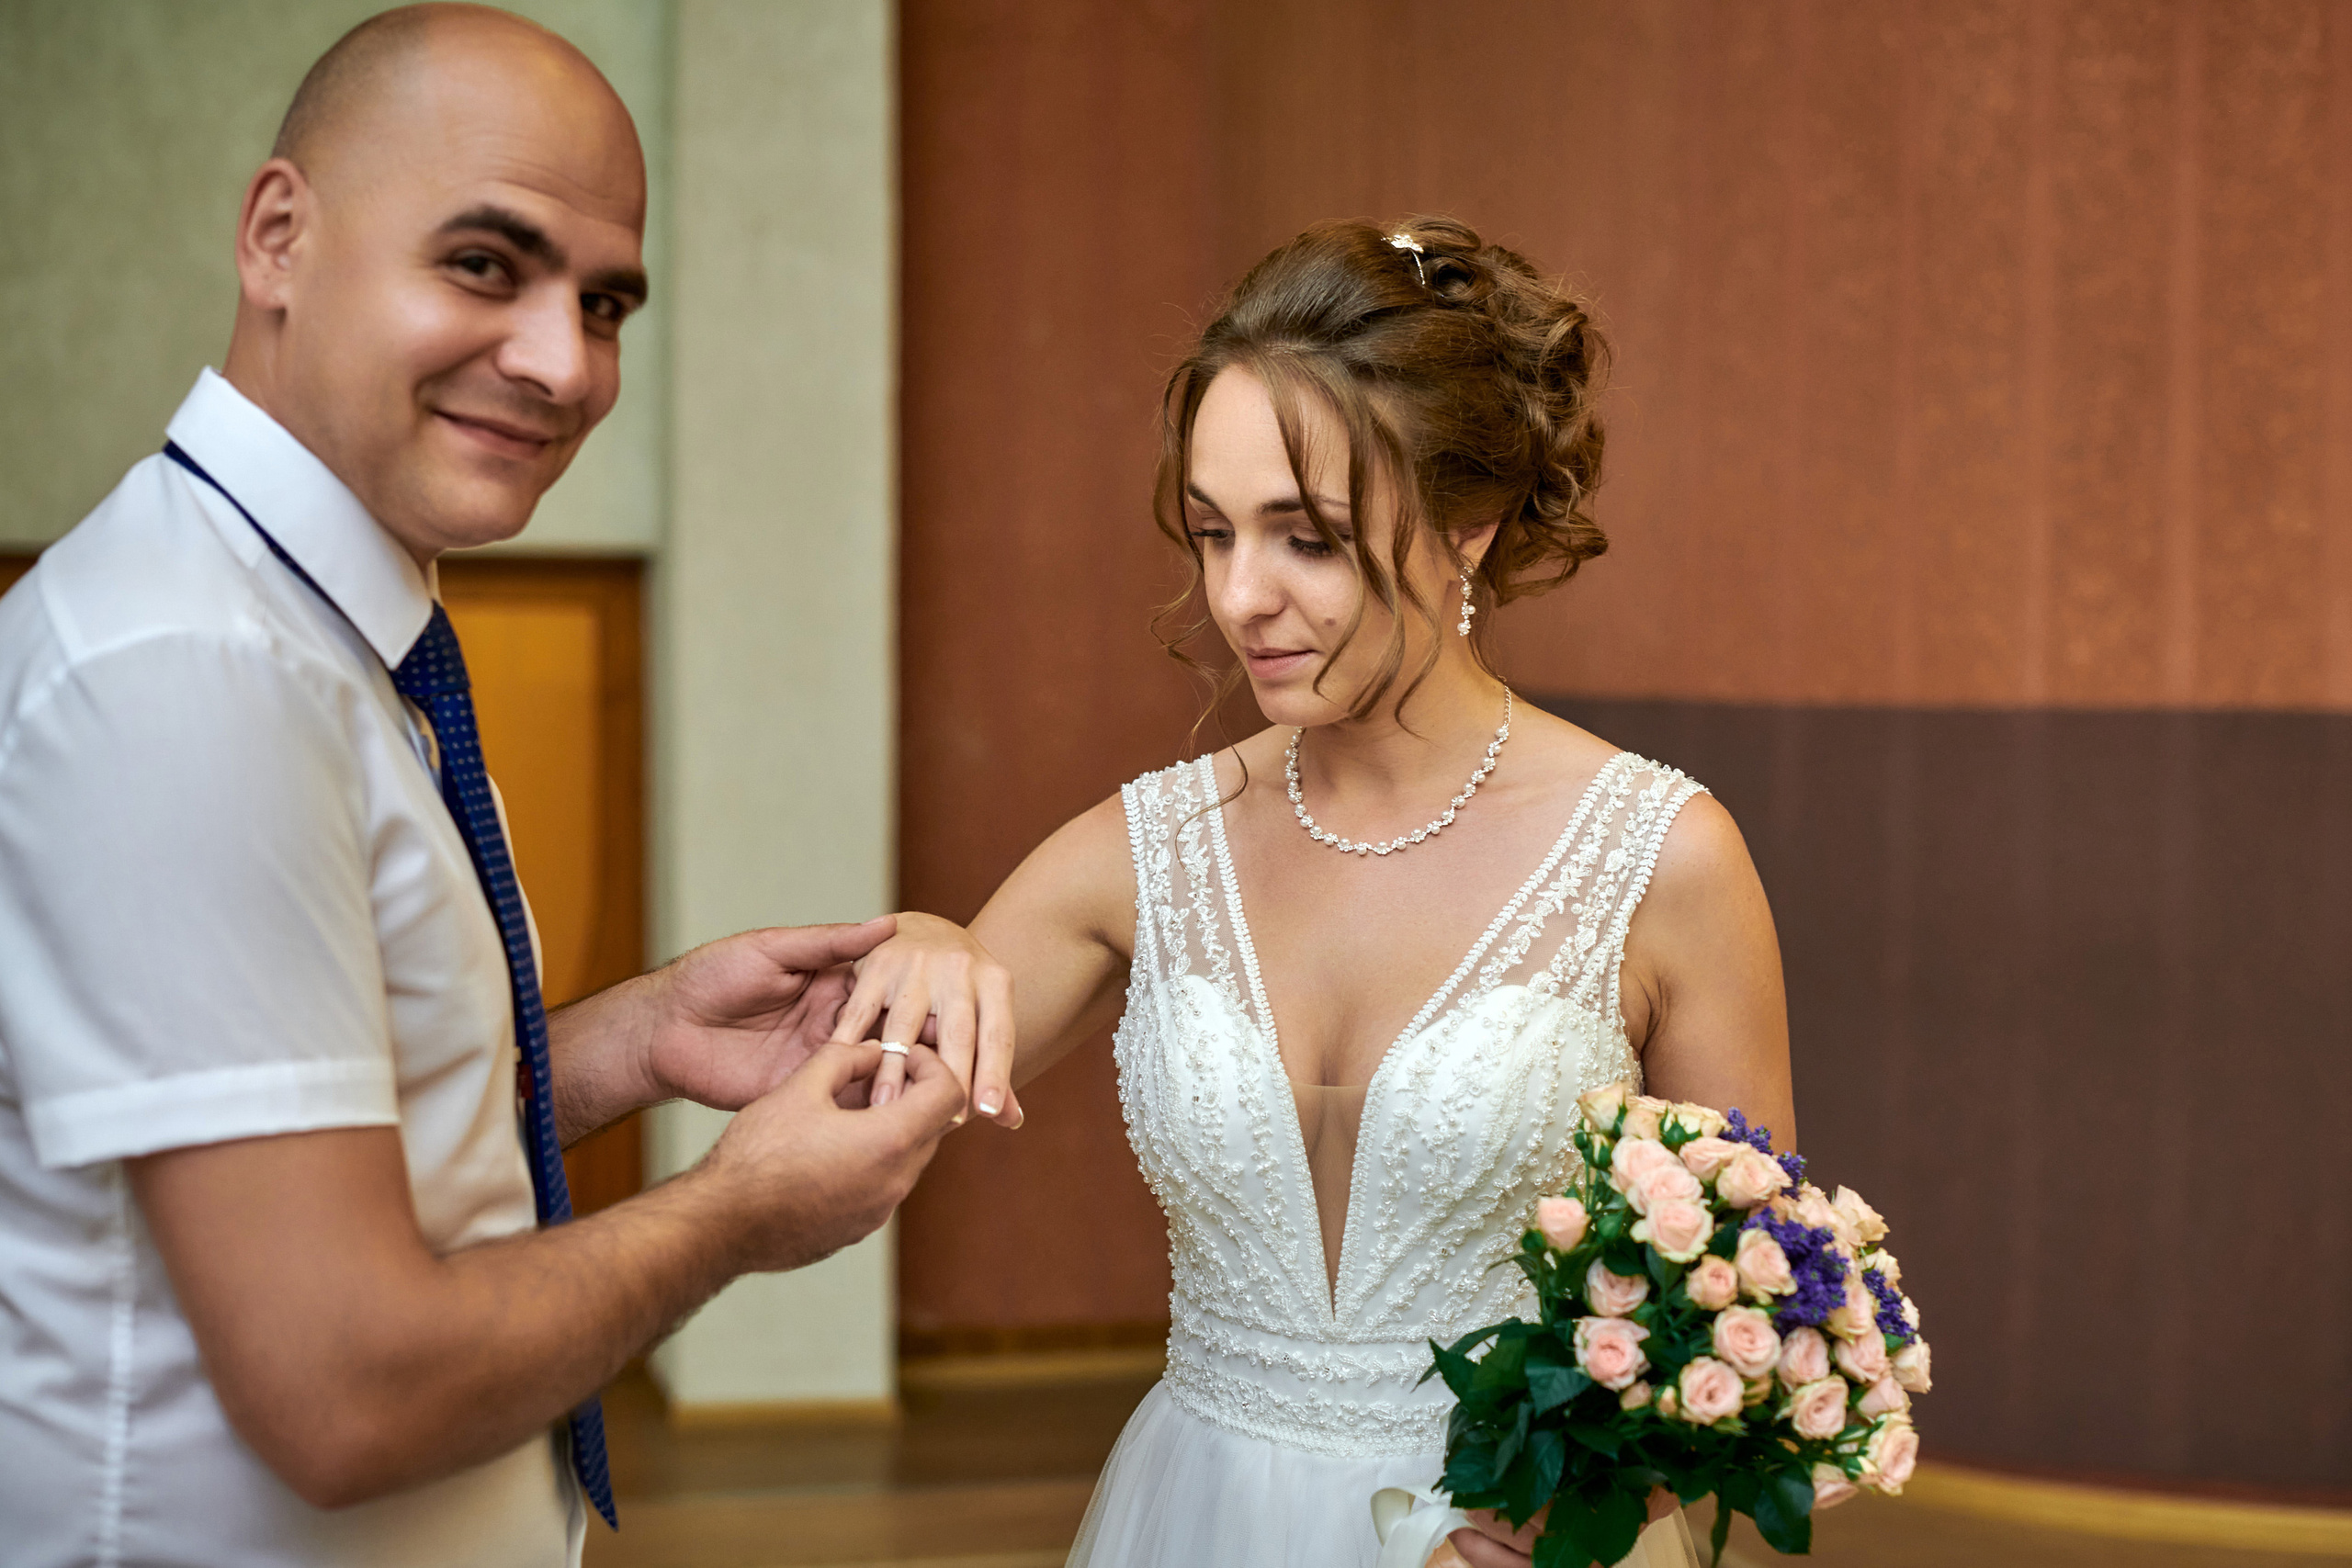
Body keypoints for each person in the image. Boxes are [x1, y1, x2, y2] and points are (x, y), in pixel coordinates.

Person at [0, 9, 971, 1566]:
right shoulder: (192, 671)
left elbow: (324, 1095)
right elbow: (346, 1391)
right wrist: (734, 1214)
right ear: (278, 237)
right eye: (483, 265)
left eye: (605, 304)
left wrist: (633, 1041)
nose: (563, 363)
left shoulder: (319, 636)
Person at [839, 219, 1796, 1567]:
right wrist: (933, 941)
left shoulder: (1663, 856)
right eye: (1214, 532)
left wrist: (1602, 1505)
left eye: (1309, 539)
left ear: (1468, 526)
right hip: (1197, 1515)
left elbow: (1751, 1307)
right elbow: (875, 1094)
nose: (1240, 597)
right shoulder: (1153, 844)